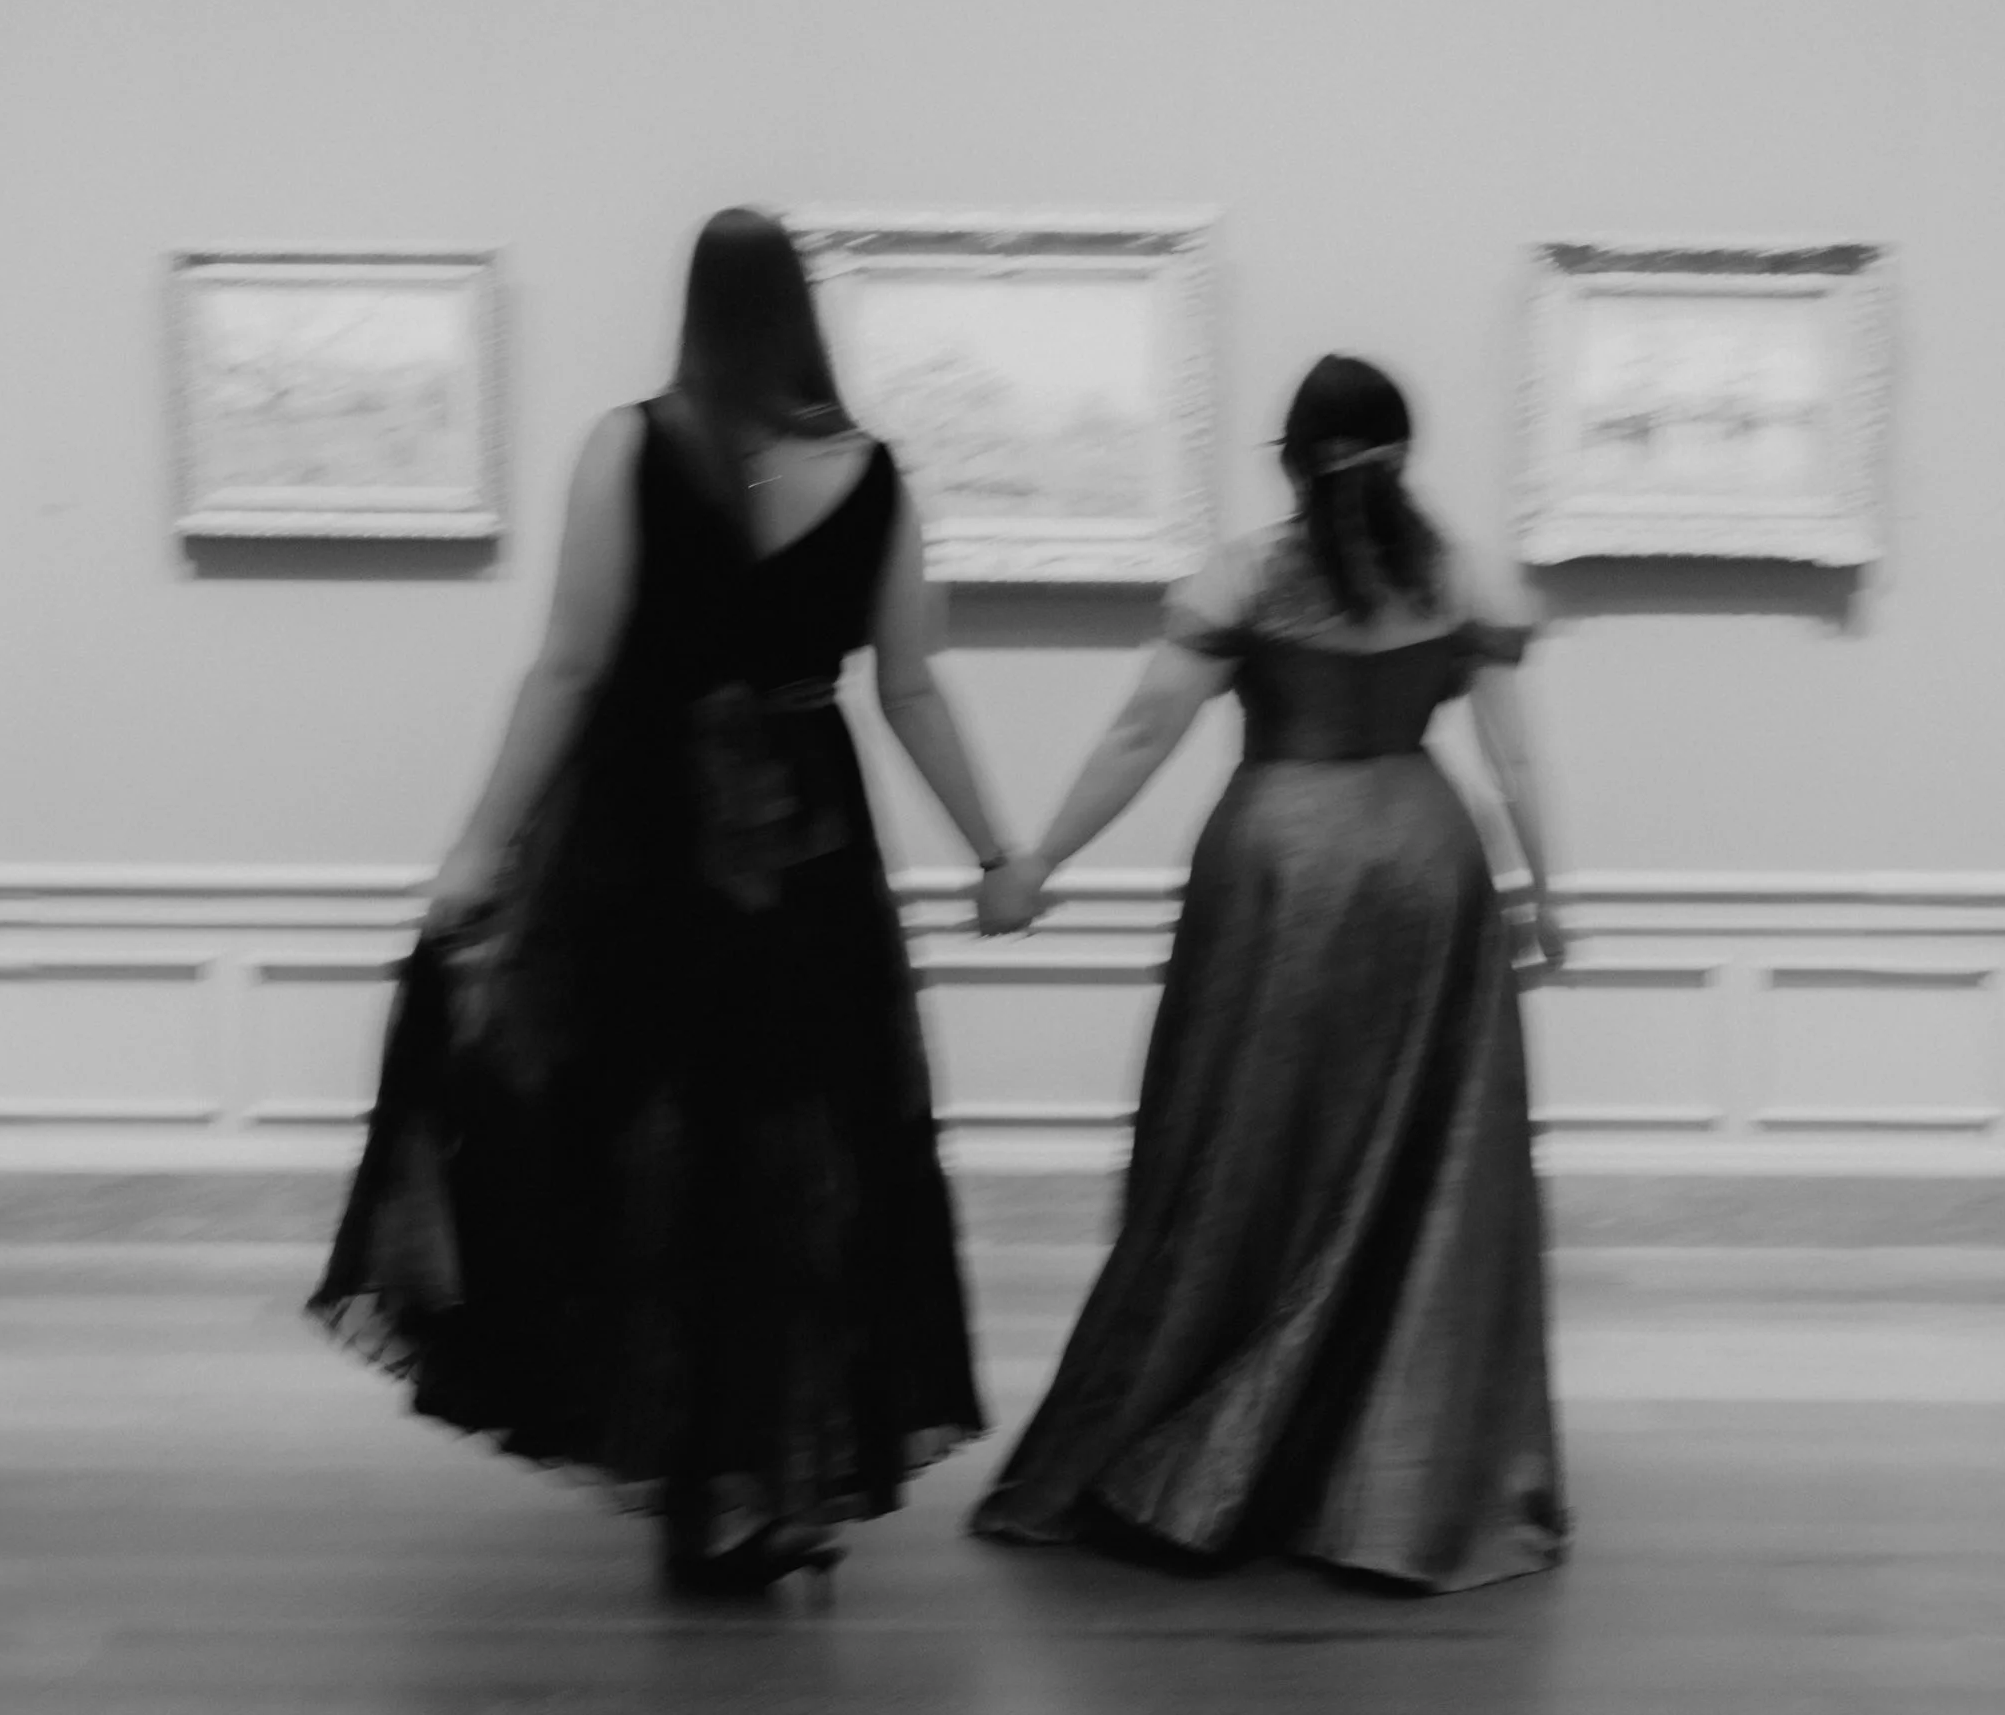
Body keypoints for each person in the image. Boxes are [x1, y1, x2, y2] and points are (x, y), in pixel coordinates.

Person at [312, 208, 1030, 1595]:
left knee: (651, 1149)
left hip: (645, 838)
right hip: (808, 846)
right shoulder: (875, 474)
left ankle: (709, 1477)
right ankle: (785, 1470)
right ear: (806, 315)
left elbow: (570, 672)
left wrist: (477, 850)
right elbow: (914, 685)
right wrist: (997, 850)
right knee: (802, 1152)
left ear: (693, 314)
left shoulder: (629, 448)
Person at [969, 353, 1571, 1594]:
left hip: (1275, 870)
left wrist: (1039, 859)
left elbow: (1146, 726)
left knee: (1240, 1146)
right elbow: (1511, 757)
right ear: (1407, 451)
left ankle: (1205, 1447)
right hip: (1421, 865)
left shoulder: (1246, 573)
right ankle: (1381, 1468)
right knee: (1414, 1166)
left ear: (1290, 459)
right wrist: (1546, 893)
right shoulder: (1459, 574)